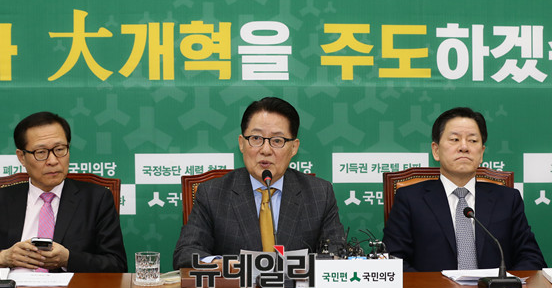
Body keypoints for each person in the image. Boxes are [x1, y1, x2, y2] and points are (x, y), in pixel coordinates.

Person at [173, 97, 345, 269]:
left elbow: (337, 252)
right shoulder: (212, 194)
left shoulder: (319, 194)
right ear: (241, 143)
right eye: (256, 138)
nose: (265, 150)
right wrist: (222, 264)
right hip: (237, 286)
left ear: (294, 147)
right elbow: (186, 253)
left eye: (277, 140)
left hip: (296, 286)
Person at [0, 112, 127, 273]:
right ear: (21, 157)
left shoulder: (96, 199)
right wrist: (3, 258)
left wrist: (68, 259)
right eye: (41, 152)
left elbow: (117, 264)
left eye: (59, 149)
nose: (53, 161)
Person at [383, 107, 546, 271]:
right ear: (436, 150)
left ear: (481, 153)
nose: (464, 147)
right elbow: (392, 260)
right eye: (454, 139)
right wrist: (432, 286)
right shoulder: (410, 199)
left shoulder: (508, 199)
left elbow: (532, 259)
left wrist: (504, 284)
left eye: (473, 141)